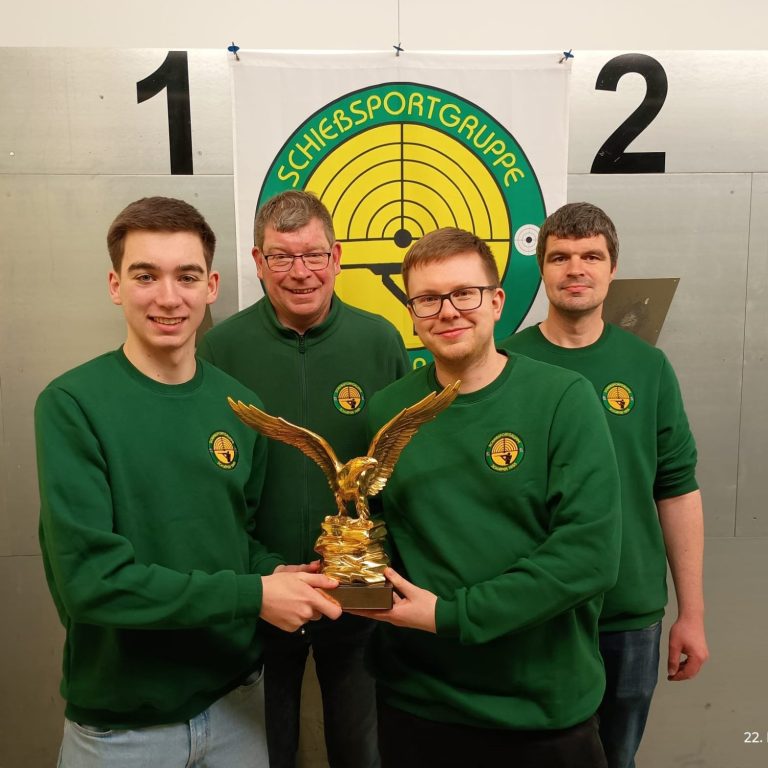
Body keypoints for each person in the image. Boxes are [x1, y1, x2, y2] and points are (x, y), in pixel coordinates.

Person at [35, 196, 341, 768]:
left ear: (211, 286)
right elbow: (91, 582)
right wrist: (255, 595)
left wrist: (275, 573)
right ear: (115, 285)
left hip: (237, 708)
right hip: (124, 728)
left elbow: (237, 535)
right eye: (145, 276)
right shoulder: (73, 404)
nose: (169, 297)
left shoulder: (241, 407)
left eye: (187, 276)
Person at [355, 227, 622, 768]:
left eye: (465, 293)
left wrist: (451, 616)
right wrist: (345, 568)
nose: (448, 311)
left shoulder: (563, 399)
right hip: (419, 705)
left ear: (497, 301)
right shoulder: (388, 411)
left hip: (540, 709)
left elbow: (588, 556)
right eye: (428, 299)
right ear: (411, 314)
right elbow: (376, 533)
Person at [198, 190, 409, 768]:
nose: (300, 272)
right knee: (265, 750)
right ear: (258, 262)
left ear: (336, 257)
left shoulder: (380, 340)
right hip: (262, 591)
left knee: (359, 747)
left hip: (358, 598)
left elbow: (401, 471)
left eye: (313, 254)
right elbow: (213, 479)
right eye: (282, 256)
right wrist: (256, 570)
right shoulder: (220, 347)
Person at [502, 202, 708, 768]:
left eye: (591, 256)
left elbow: (676, 490)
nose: (576, 269)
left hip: (628, 614)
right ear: (541, 269)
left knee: (616, 757)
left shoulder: (647, 368)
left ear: (612, 269)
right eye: (560, 257)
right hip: (533, 611)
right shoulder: (503, 364)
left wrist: (692, 614)